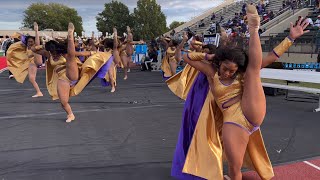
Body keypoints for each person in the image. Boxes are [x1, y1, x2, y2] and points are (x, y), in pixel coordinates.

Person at [169, 5, 310, 180]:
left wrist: (290, 38)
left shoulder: (241, 73)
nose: (228, 73)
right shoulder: (211, 73)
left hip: (249, 109)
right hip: (233, 122)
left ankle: (254, 29)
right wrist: (208, 57)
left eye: (232, 71)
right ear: (219, 63)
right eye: (226, 69)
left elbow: (271, 57)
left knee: (253, 69)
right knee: (234, 168)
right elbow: (186, 57)